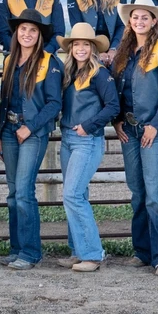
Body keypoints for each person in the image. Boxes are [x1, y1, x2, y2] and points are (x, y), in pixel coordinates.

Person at [112, 0, 158, 276]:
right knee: (138, 192)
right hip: (129, 128)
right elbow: (114, 90)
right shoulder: (123, 53)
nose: (139, 21)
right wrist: (116, 120)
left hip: (154, 129)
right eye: (135, 17)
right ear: (130, 21)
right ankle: (143, 250)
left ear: (154, 21)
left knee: (155, 193)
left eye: (145, 17)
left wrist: (155, 124)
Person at [0, 9, 62, 270]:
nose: (27, 34)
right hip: (10, 131)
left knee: (23, 191)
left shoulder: (49, 62)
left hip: (32, 133)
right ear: (16, 33)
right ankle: (17, 249)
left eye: (33, 30)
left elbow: (54, 103)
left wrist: (29, 127)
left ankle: (31, 252)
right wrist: (0, 133)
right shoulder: (10, 60)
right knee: (13, 194)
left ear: (39, 35)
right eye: (23, 29)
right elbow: (5, 100)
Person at [56, 23, 119, 273]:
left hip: (87, 140)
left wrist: (89, 125)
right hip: (68, 140)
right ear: (71, 48)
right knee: (77, 195)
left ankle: (93, 254)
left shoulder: (100, 74)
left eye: (85, 44)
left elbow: (113, 106)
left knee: (71, 194)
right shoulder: (69, 73)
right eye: (76, 44)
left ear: (92, 48)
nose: (80, 48)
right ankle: (78, 251)